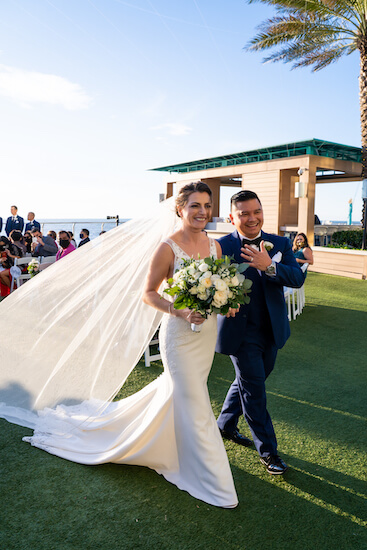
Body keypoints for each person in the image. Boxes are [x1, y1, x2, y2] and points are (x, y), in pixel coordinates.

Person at [216, 190, 305, 475]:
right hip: (239, 334)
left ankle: (225, 425)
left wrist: (271, 267)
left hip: (272, 330)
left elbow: (297, 278)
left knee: (248, 382)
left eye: (256, 211)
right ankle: (268, 452)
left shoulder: (279, 243)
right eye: (244, 213)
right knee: (254, 390)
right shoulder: (220, 247)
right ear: (233, 217)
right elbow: (210, 287)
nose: (252, 218)